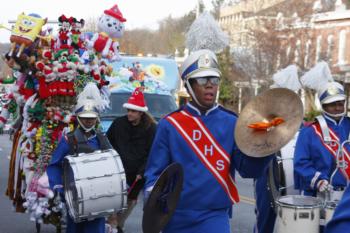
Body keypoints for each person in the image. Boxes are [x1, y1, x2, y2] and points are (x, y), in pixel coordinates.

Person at [143, 49, 273, 233]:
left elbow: (248, 170)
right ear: (188, 85)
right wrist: (153, 206)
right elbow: (154, 174)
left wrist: (267, 145)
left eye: (214, 79)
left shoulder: (232, 122)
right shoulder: (170, 124)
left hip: (215, 216)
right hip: (175, 216)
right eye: (203, 80)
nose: (210, 85)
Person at [47, 83, 111, 233]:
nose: (89, 121)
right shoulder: (68, 140)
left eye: (92, 118)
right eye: (85, 117)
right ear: (78, 117)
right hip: (74, 197)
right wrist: (57, 186)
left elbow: (113, 163)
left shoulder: (102, 139)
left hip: (98, 197)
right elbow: (54, 165)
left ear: (96, 118)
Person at [106, 87, 157, 233]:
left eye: (133, 111)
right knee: (113, 198)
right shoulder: (118, 123)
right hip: (117, 170)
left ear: (141, 112)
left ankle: (119, 225)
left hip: (137, 173)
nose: (129, 113)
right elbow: (108, 143)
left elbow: (152, 153)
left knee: (130, 200)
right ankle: (112, 223)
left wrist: (142, 171)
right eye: (128, 110)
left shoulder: (151, 128)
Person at [294, 81, 350, 197]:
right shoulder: (309, 131)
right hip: (318, 193)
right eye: (332, 104)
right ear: (323, 105)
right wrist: (318, 180)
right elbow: (301, 163)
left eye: (340, 103)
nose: (337, 108)